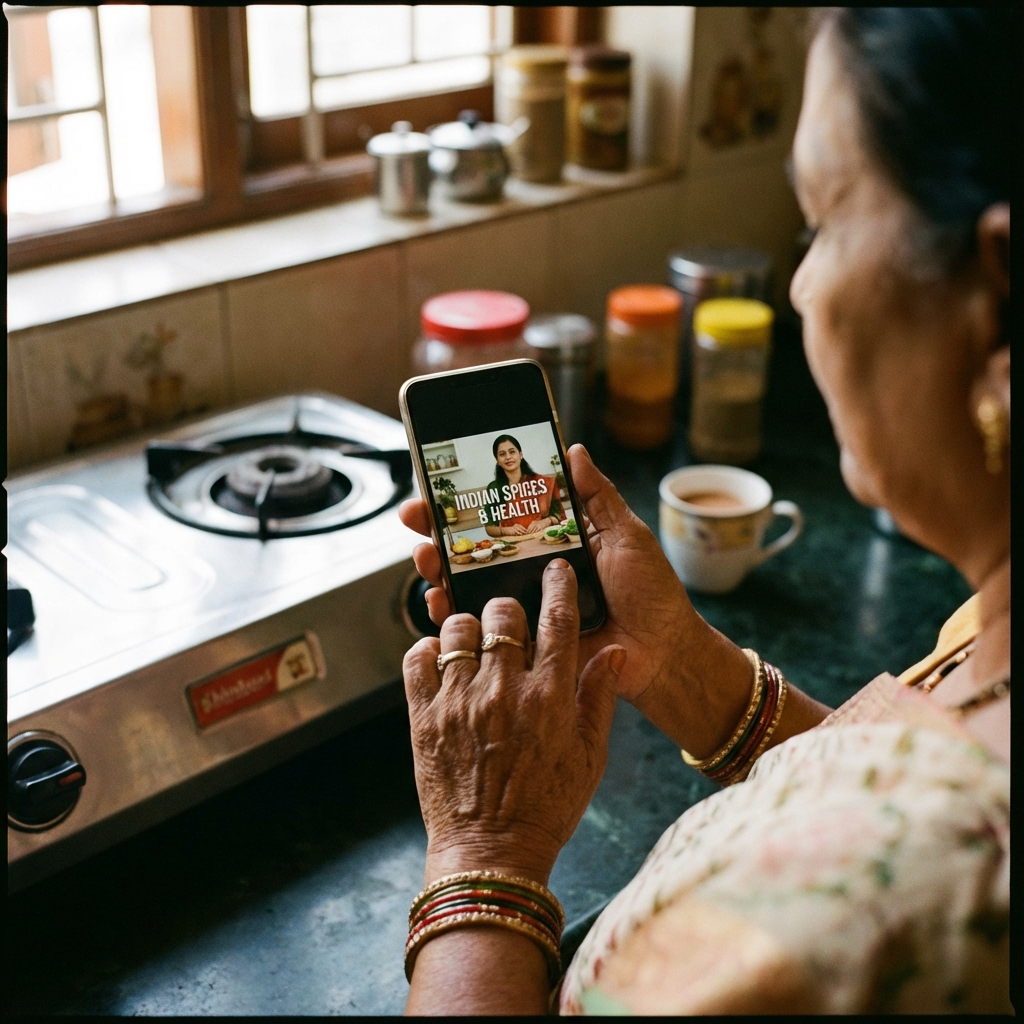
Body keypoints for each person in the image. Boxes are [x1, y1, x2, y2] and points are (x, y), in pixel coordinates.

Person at [397, 8, 1011, 1015]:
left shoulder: (892, 916)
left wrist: (483, 851)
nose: (801, 287)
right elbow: (861, 796)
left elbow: (873, 861)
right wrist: (682, 665)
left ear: (997, 298)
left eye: (820, 223)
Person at [484, 434, 565, 538]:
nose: (508, 457)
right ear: (497, 460)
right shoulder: (494, 488)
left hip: (545, 539)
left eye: (512, 452)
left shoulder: (542, 482)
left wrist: (546, 521)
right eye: (502, 454)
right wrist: (506, 530)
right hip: (513, 546)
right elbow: (489, 528)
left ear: (520, 454)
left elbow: (560, 516)